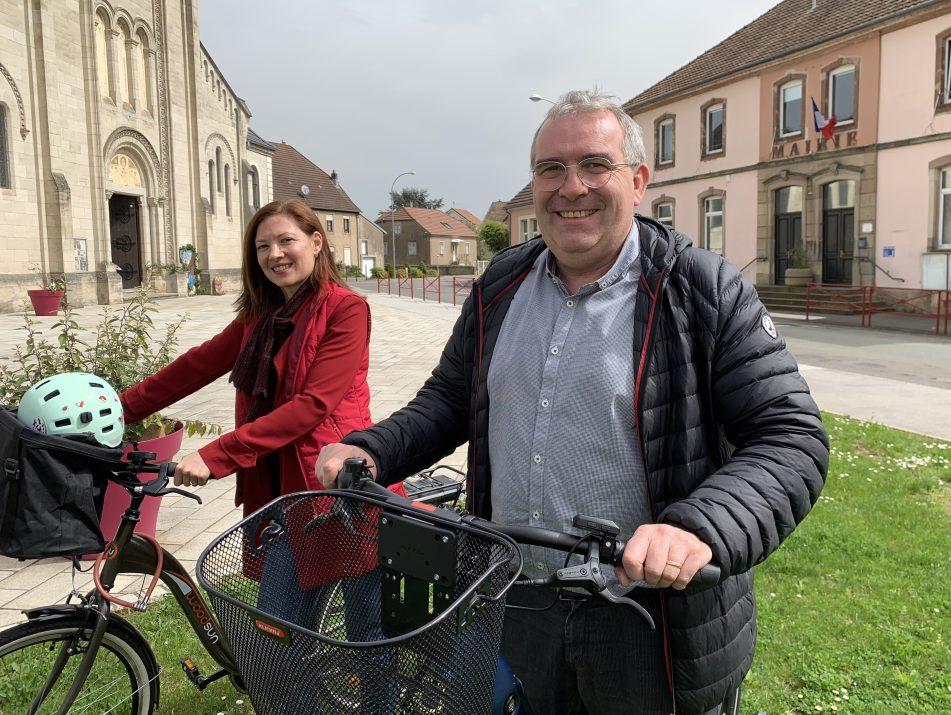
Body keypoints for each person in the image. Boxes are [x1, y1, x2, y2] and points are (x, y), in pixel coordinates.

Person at [316, 89, 829, 714]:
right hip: (520, 599)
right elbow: (450, 399)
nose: (571, 187)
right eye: (550, 168)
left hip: (646, 617)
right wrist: (372, 448)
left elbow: (791, 437)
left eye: (594, 164)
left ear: (637, 182)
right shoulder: (501, 284)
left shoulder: (702, 289)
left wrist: (697, 529)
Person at [120, 199, 396, 634]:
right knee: (276, 635)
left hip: (334, 486)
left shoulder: (346, 309)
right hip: (276, 487)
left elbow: (313, 405)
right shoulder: (260, 317)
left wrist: (216, 454)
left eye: (287, 241)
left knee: (367, 634)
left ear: (316, 242)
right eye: (263, 246)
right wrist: (118, 409)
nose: (274, 254)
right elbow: (195, 366)